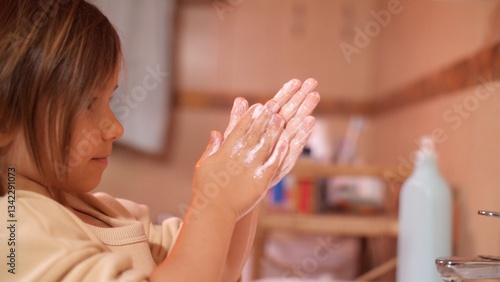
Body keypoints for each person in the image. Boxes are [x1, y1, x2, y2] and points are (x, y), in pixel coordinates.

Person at [0, 1, 320, 281]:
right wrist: (216, 203)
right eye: (87, 103)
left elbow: (216, 272)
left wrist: (248, 186)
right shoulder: (13, 229)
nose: (115, 128)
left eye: (109, 100)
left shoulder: (108, 211)